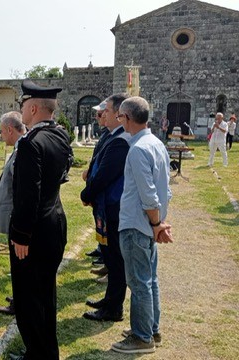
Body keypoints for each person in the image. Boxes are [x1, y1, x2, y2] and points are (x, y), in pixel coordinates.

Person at [8, 80, 73, 360]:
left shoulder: (30, 144)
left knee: (28, 298)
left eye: (23, 105)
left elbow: (27, 196)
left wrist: (21, 235)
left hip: (34, 231)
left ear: (33, 108)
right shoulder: (59, 135)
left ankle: (38, 353)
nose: (21, 110)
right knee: (45, 294)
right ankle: (46, 351)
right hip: (55, 221)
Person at [111, 96, 173, 354]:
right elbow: (165, 189)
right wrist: (158, 223)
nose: (118, 121)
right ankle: (151, 328)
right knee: (150, 280)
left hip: (138, 223)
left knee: (139, 282)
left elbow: (149, 194)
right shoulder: (156, 143)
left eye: (120, 117)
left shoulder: (137, 149)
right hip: (148, 223)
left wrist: (156, 222)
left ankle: (142, 336)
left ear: (126, 117)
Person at [81, 94, 130, 322]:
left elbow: (105, 175)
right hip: (106, 206)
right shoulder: (112, 136)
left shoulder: (121, 140)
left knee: (115, 260)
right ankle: (109, 300)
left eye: (108, 111)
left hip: (113, 207)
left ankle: (113, 308)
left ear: (120, 115)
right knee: (110, 258)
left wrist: (87, 192)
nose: (104, 114)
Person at [0, 111, 26, 316]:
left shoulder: (23, 149)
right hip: (16, 217)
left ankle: (20, 303)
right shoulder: (19, 147)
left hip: (17, 218)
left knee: (20, 264)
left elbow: (21, 190)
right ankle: (19, 297)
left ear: (10, 130)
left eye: (2, 131)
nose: (1, 135)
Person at [83, 101, 108, 265]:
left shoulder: (113, 136)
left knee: (104, 223)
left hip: (103, 193)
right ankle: (102, 250)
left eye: (99, 114)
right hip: (96, 189)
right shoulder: (106, 134)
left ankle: (106, 257)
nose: (97, 118)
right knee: (99, 221)